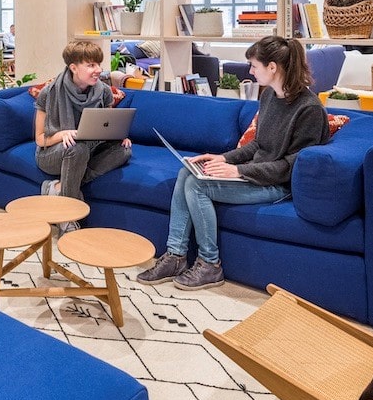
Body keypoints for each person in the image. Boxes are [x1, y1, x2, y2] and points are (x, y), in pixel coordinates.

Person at [137, 36, 329, 290]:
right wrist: (223, 158)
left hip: (277, 185)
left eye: (254, 66)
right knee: (186, 172)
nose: (250, 71)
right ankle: (175, 256)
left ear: (272, 67)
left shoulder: (309, 109)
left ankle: (210, 264)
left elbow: (290, 167)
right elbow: (259, 145)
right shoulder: (270, 97)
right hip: (256, 175)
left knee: (197, 186)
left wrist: (238, 171)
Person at [35, 41, 132, 234]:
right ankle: (67, 218)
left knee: (124, 151)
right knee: (76, 148)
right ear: (73, 67)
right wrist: (61, 134)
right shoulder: (49, 92)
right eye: (91, 65)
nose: (98, 70)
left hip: (89, 149)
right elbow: (40, 139)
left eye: (98, 64)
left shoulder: (104, 91)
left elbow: (105, 126)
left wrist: (119, 136)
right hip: (51, 154)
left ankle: (58, 187)